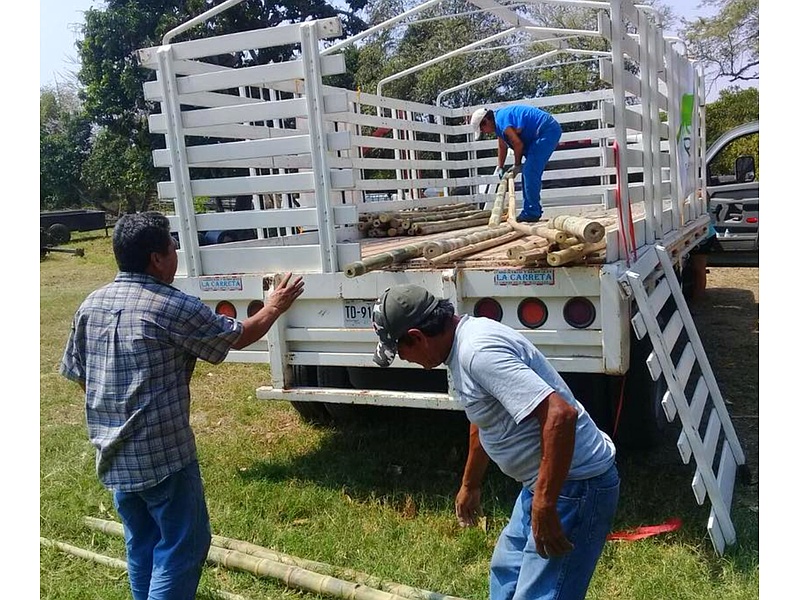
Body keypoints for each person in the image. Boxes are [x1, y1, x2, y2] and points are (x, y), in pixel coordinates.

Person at [60, 212, 304, 600]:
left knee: (142, 542)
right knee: (182, 545)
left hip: (111, 453)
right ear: (157, 258)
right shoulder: (172, 305)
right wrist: (273, 306)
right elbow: (237, 337)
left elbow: (79, 376)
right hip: (164, 457)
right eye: (172, 246)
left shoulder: (91, 304)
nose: (176, 253)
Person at [372, 284, 618, 600]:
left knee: (542, 594)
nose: (404, 359)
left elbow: (560, 415)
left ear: (418, 337)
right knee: (506, 579)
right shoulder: (458, 350)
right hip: (541, 484)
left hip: (576, 486)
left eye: (401, 351)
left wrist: (545, 503)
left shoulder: (477, 353)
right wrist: (470, 484)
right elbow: (483, 418)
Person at [471, 105, 562, 223]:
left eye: (482, 130)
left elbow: (518, 144)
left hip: (546, 131)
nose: (484, 133)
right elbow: (502, 145)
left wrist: (517, 164)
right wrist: (500, 167)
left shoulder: (502, 122)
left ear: (485, 121)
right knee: (528, 172)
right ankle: (531, 210)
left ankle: (532, 212)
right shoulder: (499, 121)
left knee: (530, 171)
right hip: (540, 133)